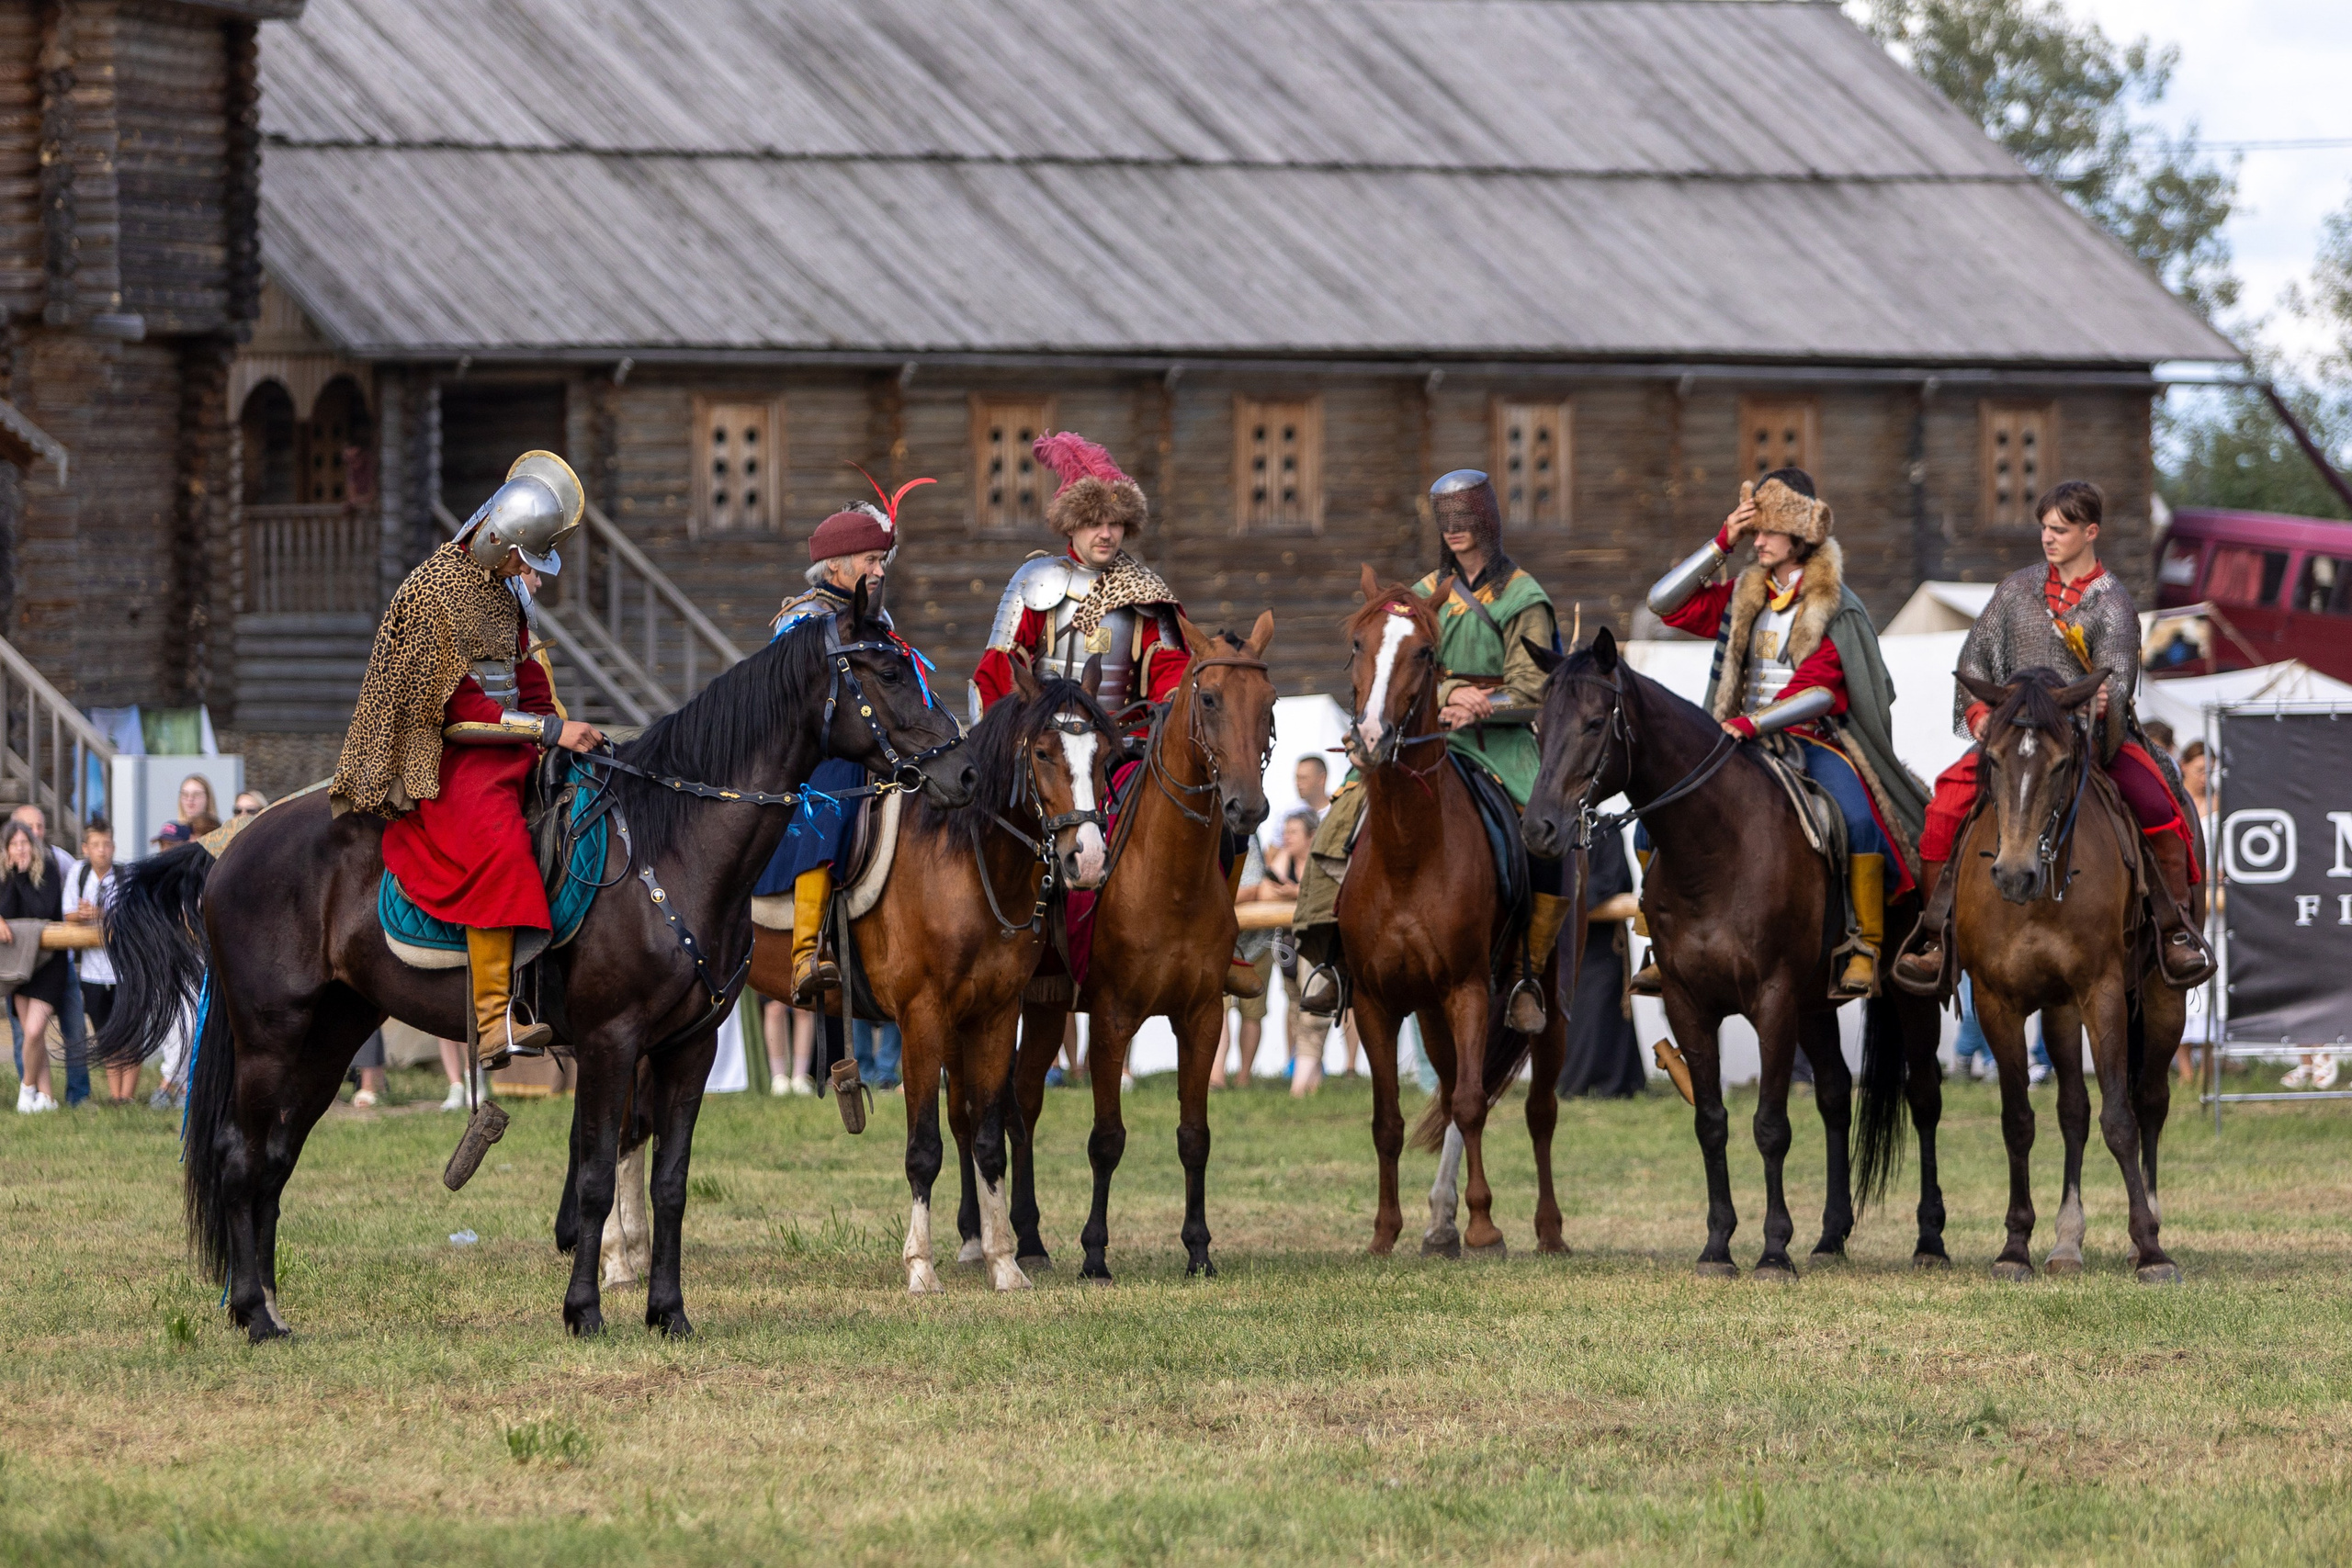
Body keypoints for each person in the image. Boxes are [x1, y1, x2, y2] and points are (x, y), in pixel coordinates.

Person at [330, 450, 602, 1159]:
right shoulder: (433, 592)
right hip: (449, 756)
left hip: (513, 744)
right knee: (497, 841)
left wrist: (561, 731)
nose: (525, 573)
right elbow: (454, 711)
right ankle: (490, 1022)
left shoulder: (505, 593)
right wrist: (544, 731)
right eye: (522, 560)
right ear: (499, 542)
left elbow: (526, 678)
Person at [1894, 480, 2213, 991]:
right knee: (1944, 807)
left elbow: (2117, 683)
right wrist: (1980, 716)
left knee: (2160, 805)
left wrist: (2101, 705)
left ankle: (2173, 931)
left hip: (2092, 740)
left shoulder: (2113, 604)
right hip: (2015, 738)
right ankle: (1937, 937)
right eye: (2045, 527)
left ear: (2090, 532)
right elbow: (1973, 662)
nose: (2048, 537)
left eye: (2060, 529)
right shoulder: (2015, 591)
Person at [1292, 469, 1571, 1032]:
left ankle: (1527, 973)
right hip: (1416, 739)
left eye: (1465, 517)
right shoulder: (1420, 595)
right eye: (1446, 519)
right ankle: (1332, 960)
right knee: (1341, 818)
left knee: (1545, 839)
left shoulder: (1523, 597)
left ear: (1486, 517)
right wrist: (1448, 694)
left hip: (1499, 745)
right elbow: (1395, 668)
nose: (1455, 529)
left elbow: (1537, 686)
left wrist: (1482, 704)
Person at [1642, 468, 1930, 998]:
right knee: (1656, 818)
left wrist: (1752, 722)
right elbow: (1666, 605)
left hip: (1810, 741)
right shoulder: (1743, 595)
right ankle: (1656, 935)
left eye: (1770, 531)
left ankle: (1864, 945)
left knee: (1859, 821)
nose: (1759, 542)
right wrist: (1721, 542)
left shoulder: (1836, 605)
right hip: (1733, 740)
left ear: (1800, 536)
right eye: (1755, 531)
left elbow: (1819, 690)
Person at [749, 473, 932, 1007]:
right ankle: (806, 951)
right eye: (871, 560)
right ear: (835, 566)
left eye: (882, 560)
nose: (881, 571)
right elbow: (795, 710)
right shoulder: (800, 620)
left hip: (880, 750)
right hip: (815, 759)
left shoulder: (879, 619)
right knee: (832, 797)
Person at [9, 803, 87, 1104]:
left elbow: (51, 906)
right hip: (19, 965)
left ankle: (74, 1095)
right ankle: (44, 1096)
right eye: (27, 830)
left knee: (71, 1030)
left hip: (56, 962)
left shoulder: (57, 862)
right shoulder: (5, 869)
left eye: (39, 827)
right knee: (27, 1035)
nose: (34, 834)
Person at [1, 821, 68, 1112]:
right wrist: (13, 878)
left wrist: (23, 877)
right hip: (20, 964)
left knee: (33, 1030)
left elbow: (42, 909)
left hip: (49, 963)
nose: (20, 849)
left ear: (32, 845)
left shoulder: (48, 869)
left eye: (24, 843)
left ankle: (26, 1089)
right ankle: (47, 1098)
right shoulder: (5, 875)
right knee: (33, 1035)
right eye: (14, 844)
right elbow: (6, 911)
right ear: (6, 849)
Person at [65, 819, 128, 1102]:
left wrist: (101, 914)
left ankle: (127, 1095)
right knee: (106, 1036)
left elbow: (132, 915)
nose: (101, 850)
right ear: (85, 848)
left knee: (129, 1033)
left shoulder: (124, 876)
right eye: (95, 845)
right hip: (92, 971)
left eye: (106, 844)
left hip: (122, 971)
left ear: (113, 846)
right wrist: (83, 915)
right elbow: (68, 913)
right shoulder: (79, 874)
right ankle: (116, 1096)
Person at [1294, 756, 1330, 826]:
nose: (1298, 783)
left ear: (1322, 779)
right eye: (1297, 778)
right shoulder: (1289, 814)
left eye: (1304, 778)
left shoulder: (1340, 810)